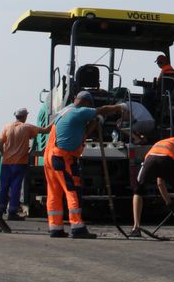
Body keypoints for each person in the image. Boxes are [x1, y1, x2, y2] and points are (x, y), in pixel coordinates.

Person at [44, 91, 123, 239]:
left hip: (51, 156)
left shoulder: (65, 110)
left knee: (54, 193)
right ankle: (77, 227)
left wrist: (95, 122)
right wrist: (120, 107)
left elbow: (83, 133)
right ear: (87, 104)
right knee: (71, 191)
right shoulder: (80, 111)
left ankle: (55, 228)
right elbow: (104, 109)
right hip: (63, 157)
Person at [0, 108, 49, 221]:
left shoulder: (7, 127)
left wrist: (4, 155)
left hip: (6, 163)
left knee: (4, 187)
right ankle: (12, 212)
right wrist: (56, 121)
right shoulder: (27, 127)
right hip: (19, 163)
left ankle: (0, 211)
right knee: (16, 187)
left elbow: (0, 145)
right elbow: (45, 130)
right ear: (25, 116)